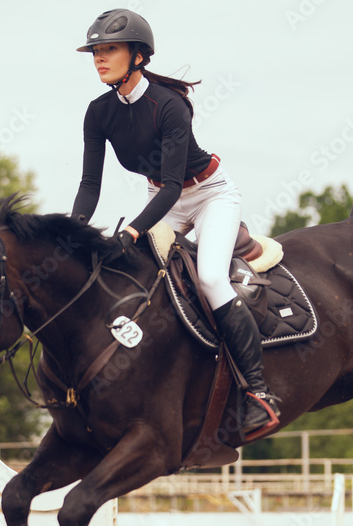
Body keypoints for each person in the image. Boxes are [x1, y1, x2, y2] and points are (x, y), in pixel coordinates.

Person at [71, 8, 280, 437]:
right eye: (95, 51)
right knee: (136, 277)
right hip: (161, 198)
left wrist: (131, 231)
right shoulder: (97, 112)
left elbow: (172, 186)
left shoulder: (169, 106)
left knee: (210, 279)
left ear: (139, 56)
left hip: (208, 195)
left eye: (109, 49)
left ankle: (259, 393)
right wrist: (69, 232)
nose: (99, 58)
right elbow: (90, 184)